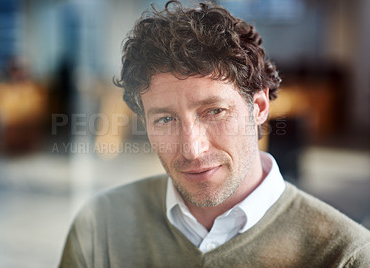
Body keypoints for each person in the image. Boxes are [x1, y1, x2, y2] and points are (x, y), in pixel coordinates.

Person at [59, 1, 370, 267]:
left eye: (215, 112)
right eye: (165, 119)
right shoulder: (99, 227)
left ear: (259, 106)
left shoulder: (345, 255)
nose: (193, 150)